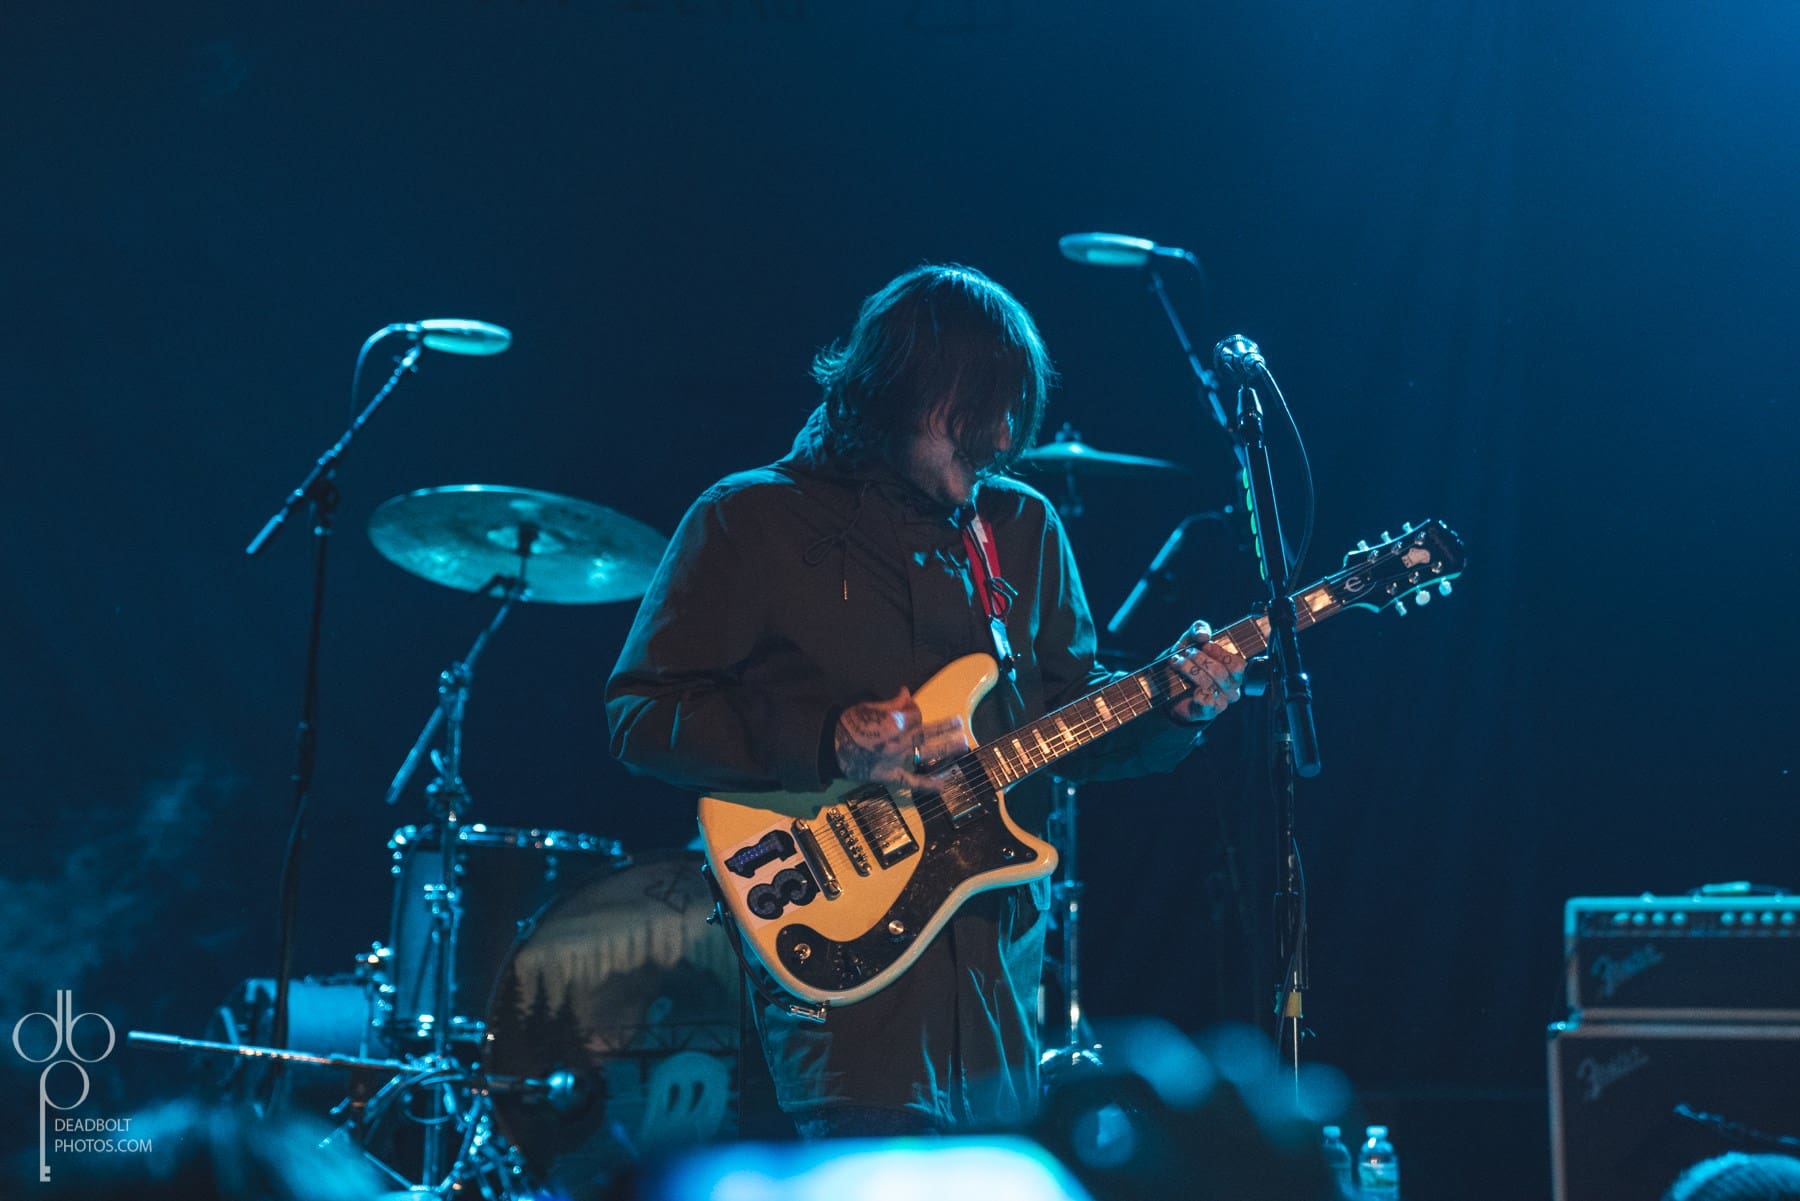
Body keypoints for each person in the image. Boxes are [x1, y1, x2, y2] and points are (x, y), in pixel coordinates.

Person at [606, 263, 1245, 1137]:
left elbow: (1067, 715)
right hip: (835, 977)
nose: (1003, 436)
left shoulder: (1022, 527)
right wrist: (829, 741)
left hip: (995, 986)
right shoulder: (750, 518)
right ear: (897, 388)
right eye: (979, 410)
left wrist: (1172, 708)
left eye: (1011, 412)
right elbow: (641, 715)